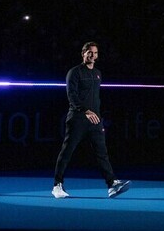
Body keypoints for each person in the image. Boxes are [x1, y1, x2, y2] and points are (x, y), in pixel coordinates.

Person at [52, 42, 129, 199]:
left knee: (102, 153)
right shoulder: (74, 72)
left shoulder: (98, 73)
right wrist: (85, 111)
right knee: (67, 151)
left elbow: (95, 98)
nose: (92, 55)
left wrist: (98, 117)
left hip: (95, 120)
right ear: (83, 54)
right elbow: (72, 96)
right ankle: (57, 185)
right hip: (77, 118)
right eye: (89, 52)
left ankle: (112, 185)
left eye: (95, 52)